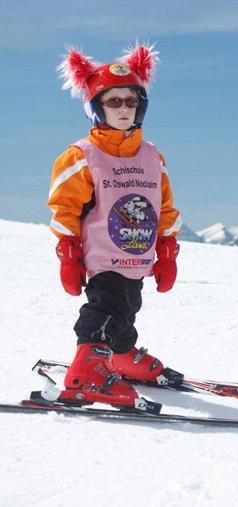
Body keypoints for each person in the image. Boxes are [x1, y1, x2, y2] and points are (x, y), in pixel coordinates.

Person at [47, 44, 182, 411]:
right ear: (96, 107)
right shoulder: (82, 155)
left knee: (128, 306)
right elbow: (64, 208)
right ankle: (86, 373)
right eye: (114, 101)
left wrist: (167, 250)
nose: (124, 108)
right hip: (103, 256)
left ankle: (119, 355)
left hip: (138, 255)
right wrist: (69, 254)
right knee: (107, 308)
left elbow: (164, 206)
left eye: (131, 101)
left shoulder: (151, 155)